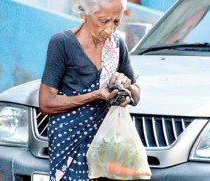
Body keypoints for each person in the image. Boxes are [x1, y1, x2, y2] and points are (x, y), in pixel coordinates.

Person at [39, 0, 141, 180]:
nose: (110, 29)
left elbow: (136, 94)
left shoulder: (117, 45)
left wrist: (126, 88)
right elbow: (46, 103)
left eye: (116, 22)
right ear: (84, 12)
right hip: (69, 141)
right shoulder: (62, 43)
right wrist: (96, 95)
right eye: (104, 21)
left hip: (105, 143)